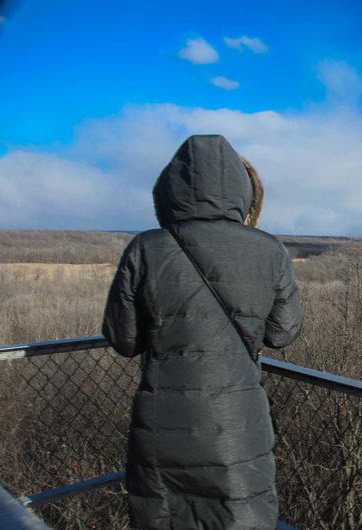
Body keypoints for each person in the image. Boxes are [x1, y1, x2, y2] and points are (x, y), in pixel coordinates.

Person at [102, 134, 303, 530]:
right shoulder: (270, 250)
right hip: (238, 424)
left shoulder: (145, 248)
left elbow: (124, 340)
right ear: (244, 193)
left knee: (161, 518)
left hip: (162, 424)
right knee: (242, 516)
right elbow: (282, 333)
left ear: (167, 191)